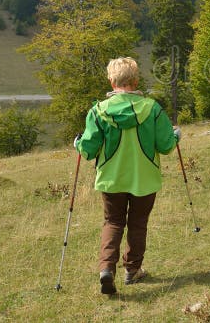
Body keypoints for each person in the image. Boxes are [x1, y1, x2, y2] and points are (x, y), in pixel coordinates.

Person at [75, 57, 179, 295]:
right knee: (138, 224)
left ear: (112, 82)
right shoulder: (152, 108)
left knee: (113, 221)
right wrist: (176, 136)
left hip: (112, 180)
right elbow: (166, 146)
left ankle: (106, 269)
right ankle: (132, 271)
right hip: (145, 178)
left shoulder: (98, 111)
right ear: (135, 80)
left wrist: (78, 144)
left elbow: (88, 150)